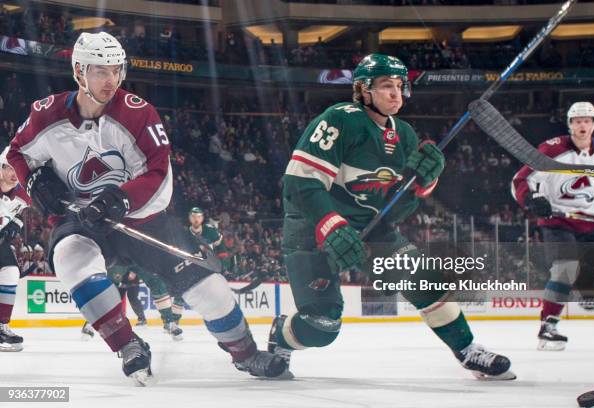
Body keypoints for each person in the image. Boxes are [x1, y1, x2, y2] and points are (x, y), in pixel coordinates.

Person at [7, 32, 286, 384]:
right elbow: (18, 153)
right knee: (69, 257)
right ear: (79, 72)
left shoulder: (139, 114)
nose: (111, 80)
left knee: (209, 288)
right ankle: (128, 345)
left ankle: (246, 354)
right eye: (100, 71)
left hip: (144, 220)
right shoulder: (45, 115)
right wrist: (34, 183)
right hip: (84, 220)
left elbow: (157, 169)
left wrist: (122, 199)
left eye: (116, 70)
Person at [267, 53, 515, 380]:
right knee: (321, 326)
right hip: (312, 226)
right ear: (363, 89)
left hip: (370, 229)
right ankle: (281, 333)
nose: (396, 94)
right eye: (386, 86)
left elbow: (395, 209)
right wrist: (331, 225)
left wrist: (421, 184)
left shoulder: (406, 136)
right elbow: (301, 183)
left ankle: (467, 351)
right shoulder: (340, 119)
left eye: (400, 86)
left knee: (424, 278)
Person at [511, 101, 594, 351]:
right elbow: (521, 179)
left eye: (587, 120)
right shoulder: (551, 150)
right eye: (577, 121)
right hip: (558, 222)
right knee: (566, 268)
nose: (582, 125)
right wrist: (533, 198)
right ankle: (548, 327)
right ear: (570, 124)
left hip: (593, 224)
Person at [0, 146, 30, 351]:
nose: (13, 174)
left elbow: (21, 211)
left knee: (11, 272)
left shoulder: (24, 194)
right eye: (9, 168)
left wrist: (15, 225)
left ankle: (2, 326)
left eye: (16, 169)